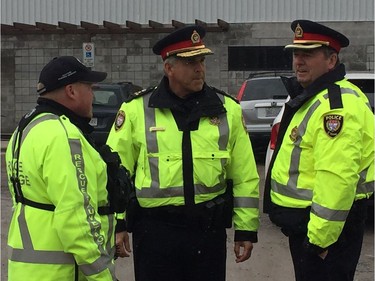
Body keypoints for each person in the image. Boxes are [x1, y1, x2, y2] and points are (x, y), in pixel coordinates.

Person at [106, 25, 260, 281]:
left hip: (207, 231)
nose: (200, 68)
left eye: (201, 60)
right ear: (169, 68)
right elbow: (115, 174)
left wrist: (246, 229)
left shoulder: (227, 110)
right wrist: (118, 224)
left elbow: (244, 175)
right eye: (190, 62)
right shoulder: (135, 110)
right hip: (154, 232)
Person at [263, 19, 374, 281]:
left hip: (325, 231)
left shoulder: (335, 107)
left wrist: (318, 241)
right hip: (312, 225)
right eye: (296, 54)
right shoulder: (314, 96)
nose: (298, 61)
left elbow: (337, 177)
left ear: (331, 61)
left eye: (308, 55)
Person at [5, 56, 129, 280]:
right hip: (62, 271)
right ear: (71, 91)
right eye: (89, 87)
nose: (92, 95)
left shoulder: (25, 128)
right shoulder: (63, 135)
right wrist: (103, 276)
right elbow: (76, 218)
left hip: (27, 269)